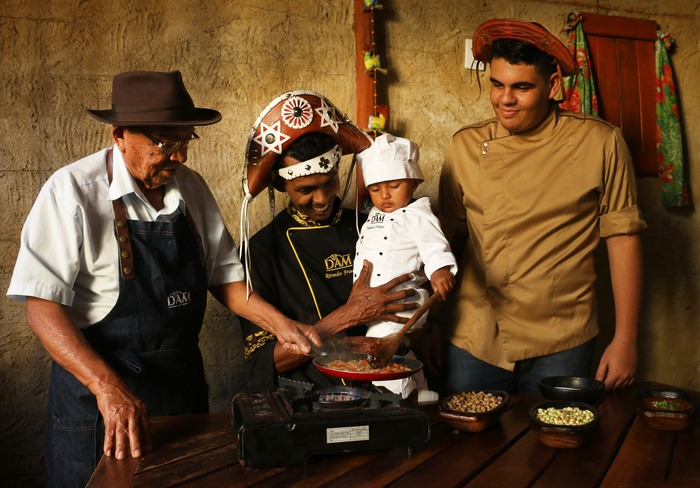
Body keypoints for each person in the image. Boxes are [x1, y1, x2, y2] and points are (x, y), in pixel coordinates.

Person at [6, 71, 319, 488]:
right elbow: (42, 307)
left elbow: (225, 277)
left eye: (186, 141)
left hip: (178, 387)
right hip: (99, 397)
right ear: (120, 134)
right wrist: (107, 388)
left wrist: (281, 324)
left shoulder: (190, 188)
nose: (180, 157)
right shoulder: (72, 192)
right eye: (165, 143)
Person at [437, 19, 646, 395]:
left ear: (552, 86)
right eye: (497, 85)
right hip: (476, 335)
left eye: (521, 87)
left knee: (556, 446)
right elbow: (445, 242)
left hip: (563, 336)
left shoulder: (600, 142)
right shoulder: (464, 147)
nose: (505, 99)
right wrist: (432, 327)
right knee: (467, 448)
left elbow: (623, 238)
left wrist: (626, 339)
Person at [239, 90, 418, 392]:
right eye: (306, 189)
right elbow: (264, 363)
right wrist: (343, 321)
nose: (322, 199)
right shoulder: (261, 252)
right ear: (281, 185)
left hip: (387, 387)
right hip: (313, 397)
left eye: (329, 182)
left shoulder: (371, 226)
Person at [353, 133, 457, 398]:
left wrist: (439, 270)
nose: (384, 195)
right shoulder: (374, 215)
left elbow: (434, 245)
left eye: (395, 186)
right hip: (372, 304)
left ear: (414, 183)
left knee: (382, 353)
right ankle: (421, 391)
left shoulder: (418, 215)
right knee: (395, 348)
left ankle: (399, 399)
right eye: (375, 189)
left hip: (403, 301)